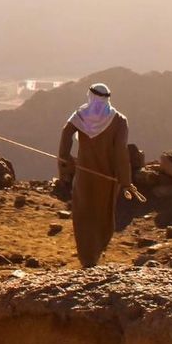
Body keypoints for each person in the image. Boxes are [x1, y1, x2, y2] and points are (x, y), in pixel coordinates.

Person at [58, 82, 131, 267]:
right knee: (102, 213)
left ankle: (86, 257)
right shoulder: (119, 120)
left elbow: (66, 134)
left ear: (90, 96)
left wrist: (66, 162)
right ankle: (97, 251)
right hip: (108, 178)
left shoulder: (80, 116)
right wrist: (126, 180)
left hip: (84, 176)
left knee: (83, 214)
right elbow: (121, 152)